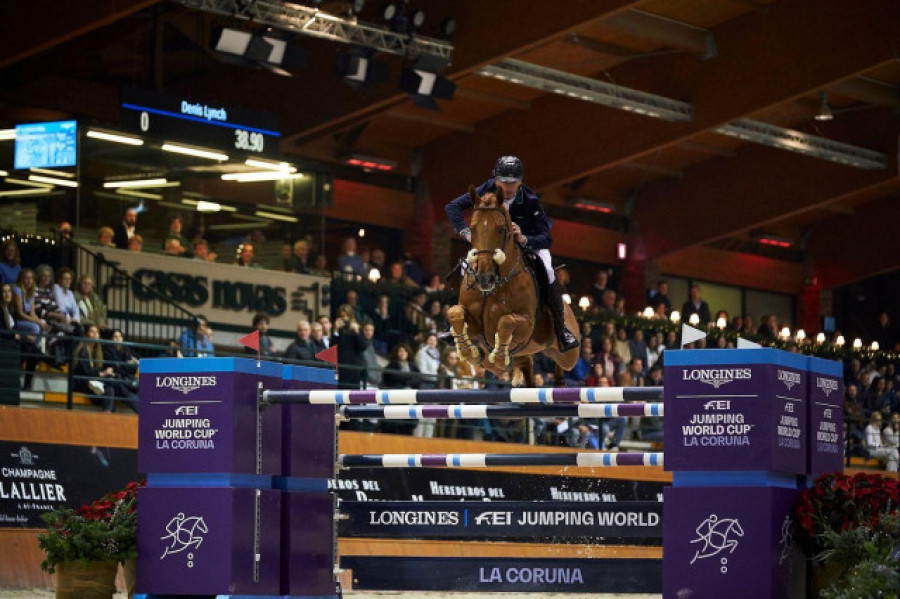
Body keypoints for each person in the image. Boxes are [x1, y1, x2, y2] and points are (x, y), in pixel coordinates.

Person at [445, 155, 578, 350]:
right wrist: (465, 232)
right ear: (495, 179)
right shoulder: (486, 189)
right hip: (494, 244)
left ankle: (561, 329)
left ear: (520, 182)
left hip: (529, 243)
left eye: (513, 182)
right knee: (467, 266)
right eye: (503, 181)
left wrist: (524, 238)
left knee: (548, 272)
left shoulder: (530, 201)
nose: (507, 187)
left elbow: (546, 238)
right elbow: (452, 207)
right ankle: (455, 324)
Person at [73, 324, 117, 412]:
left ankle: (107, 415)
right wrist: (103, 373)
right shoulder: (83, 350)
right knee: (110, 386)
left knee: (110, 390)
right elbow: (85, 371)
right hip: (82, 381)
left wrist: (106, 372)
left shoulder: (96, 351)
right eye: (92, 331)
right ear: (86, 334)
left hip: (93, 381)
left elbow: (98, 369)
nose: (94, 334)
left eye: (96, 332)